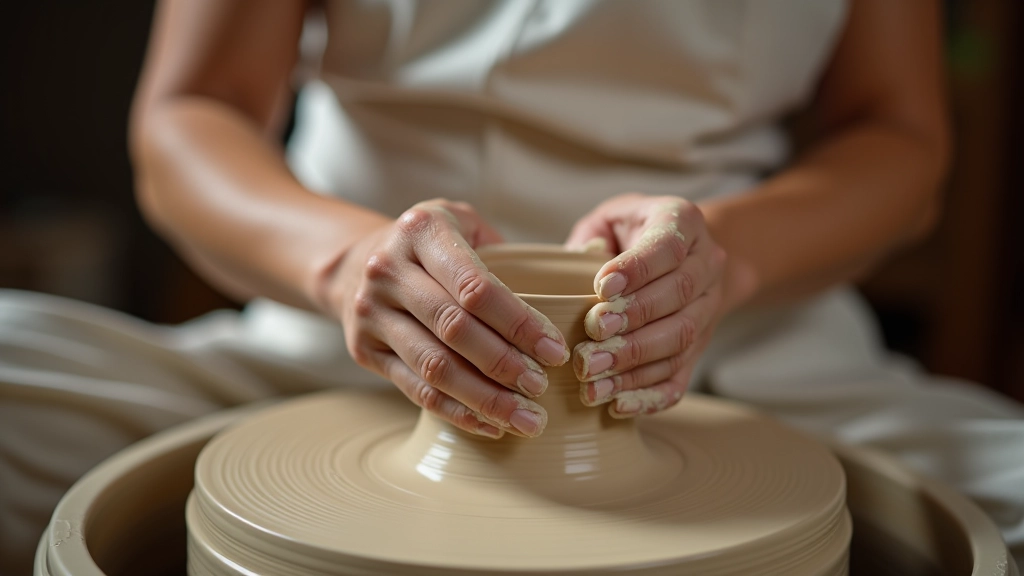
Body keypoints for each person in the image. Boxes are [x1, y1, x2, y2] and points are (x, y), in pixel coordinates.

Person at [2, 0, 1022, 573]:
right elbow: (189, 114)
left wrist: (729, 262)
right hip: (347, 341)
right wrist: (347, 264)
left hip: (733, 350)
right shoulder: (351, 290)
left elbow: (899, 138)